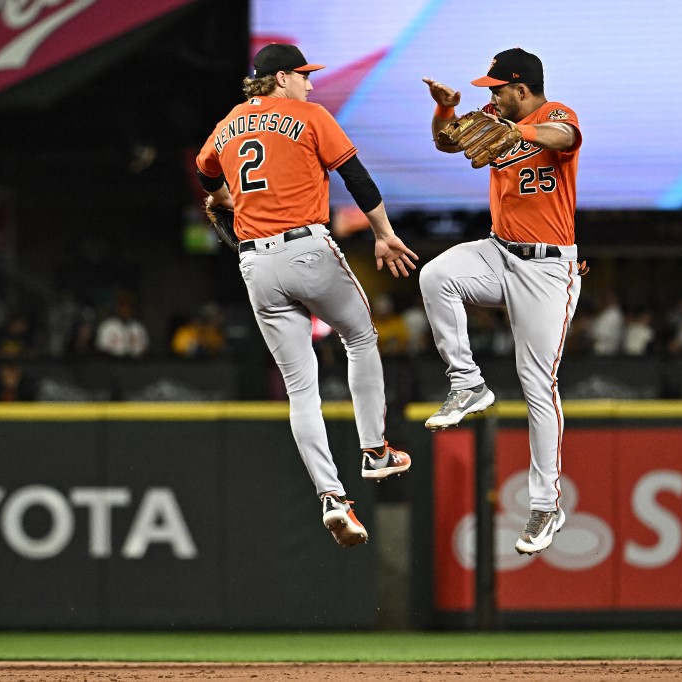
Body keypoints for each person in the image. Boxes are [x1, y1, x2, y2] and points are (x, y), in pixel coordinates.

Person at [195, 43, 417, 548]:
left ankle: (332, 498)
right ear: (279, 79)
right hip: (306, 248)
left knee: (301, 390)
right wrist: (383, 232)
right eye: (302, 75)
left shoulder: (228, 123)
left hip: (255, 264)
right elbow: (355, 176)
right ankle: (374, 451)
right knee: (360, 338)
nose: (310, 84)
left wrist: (223, 194)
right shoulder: (309, 115)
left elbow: (207, 173)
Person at [422, 48, 585, 556]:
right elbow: (447, 144)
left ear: (522, 88)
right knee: (436, 276)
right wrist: (446, 111)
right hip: (498, 251)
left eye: (497, 88)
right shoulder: (495, 117)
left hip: (547, 267)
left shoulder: (553, 114)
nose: (489, 97)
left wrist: (521, 133)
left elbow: (567, 138)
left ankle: (544, 503)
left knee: (538, 384)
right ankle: (467, 384)